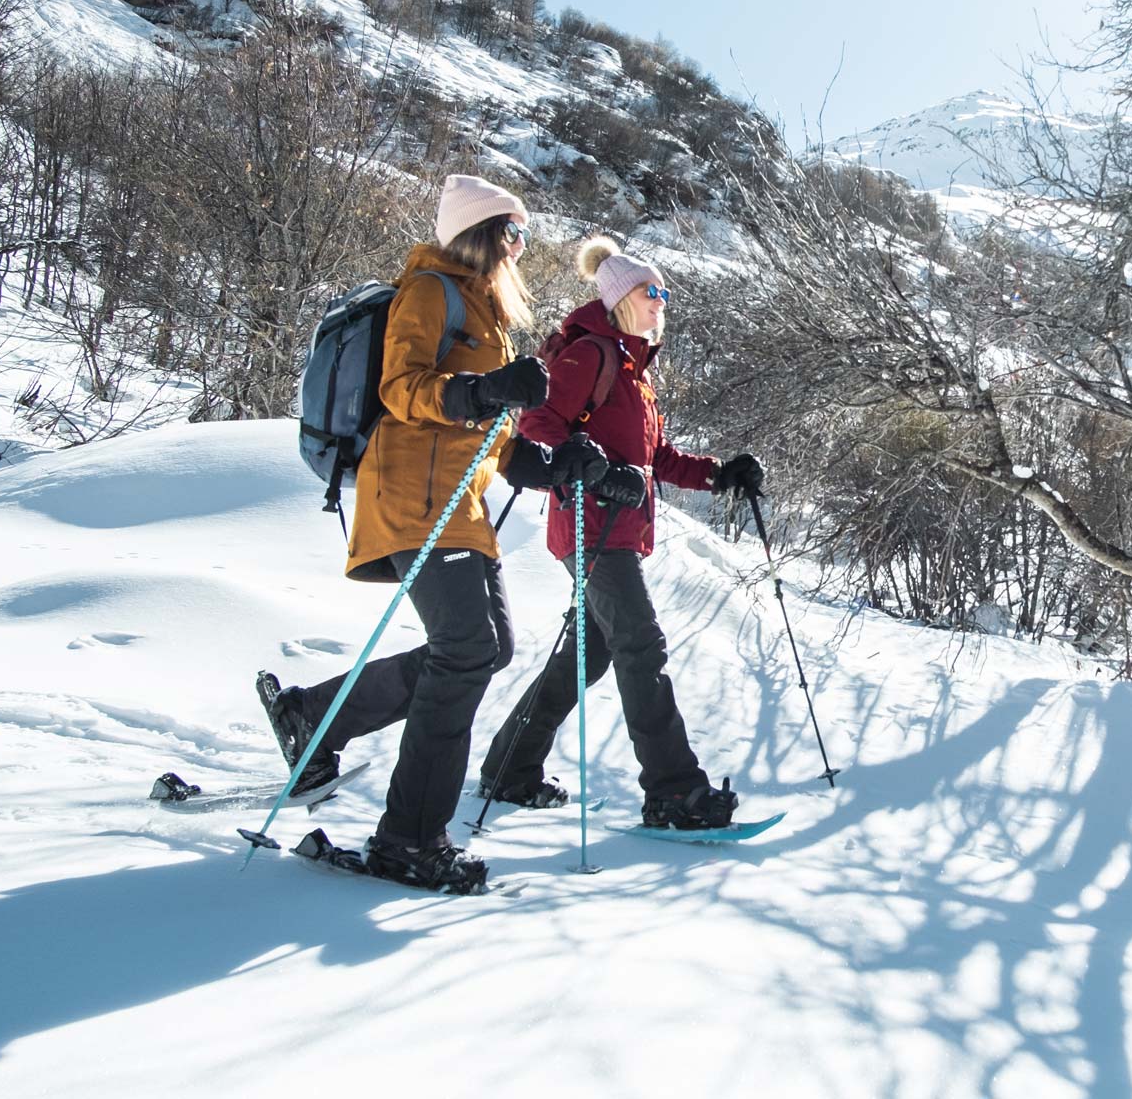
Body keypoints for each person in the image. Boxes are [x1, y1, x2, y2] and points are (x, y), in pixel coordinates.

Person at [255, 174, 550, 894]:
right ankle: (409, 840)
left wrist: (546, 462)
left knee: (489, 650)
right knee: (465, 649)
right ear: (480, 234)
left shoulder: (487, 316)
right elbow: (402, 390)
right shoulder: (431, 290)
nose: (520, 247)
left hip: (462, 505)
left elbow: (488, 431)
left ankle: (312, 716)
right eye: (513, 232)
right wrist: (486, 391)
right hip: (414, 498)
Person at [478, 234, 764, 830]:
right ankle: (673, 791)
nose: (661, 301)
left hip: (615, 527)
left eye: (663, 292)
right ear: (618, 299)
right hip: (588, 525)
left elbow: (656, 458)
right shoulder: (591, 354)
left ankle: (510, 767)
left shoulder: (632, 370)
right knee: (640, 645)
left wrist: (720, 474)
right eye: (650, 291)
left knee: (588, 655)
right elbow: (536, 422)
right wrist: (594, 468)